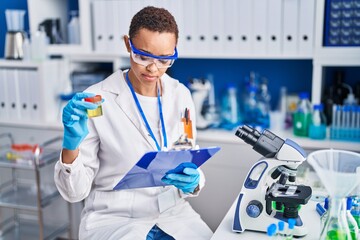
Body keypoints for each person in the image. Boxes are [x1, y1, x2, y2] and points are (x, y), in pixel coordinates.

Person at [54, 6, 213, 240]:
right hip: (115, 219)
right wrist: (70, 147)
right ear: (128, 45)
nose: (153, 68)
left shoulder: (181, 94)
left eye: (164, 60)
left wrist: (194, 180)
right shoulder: (98, 99)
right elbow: (74, 193)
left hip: (174, 214)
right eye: (143, 56)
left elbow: (187, 155)